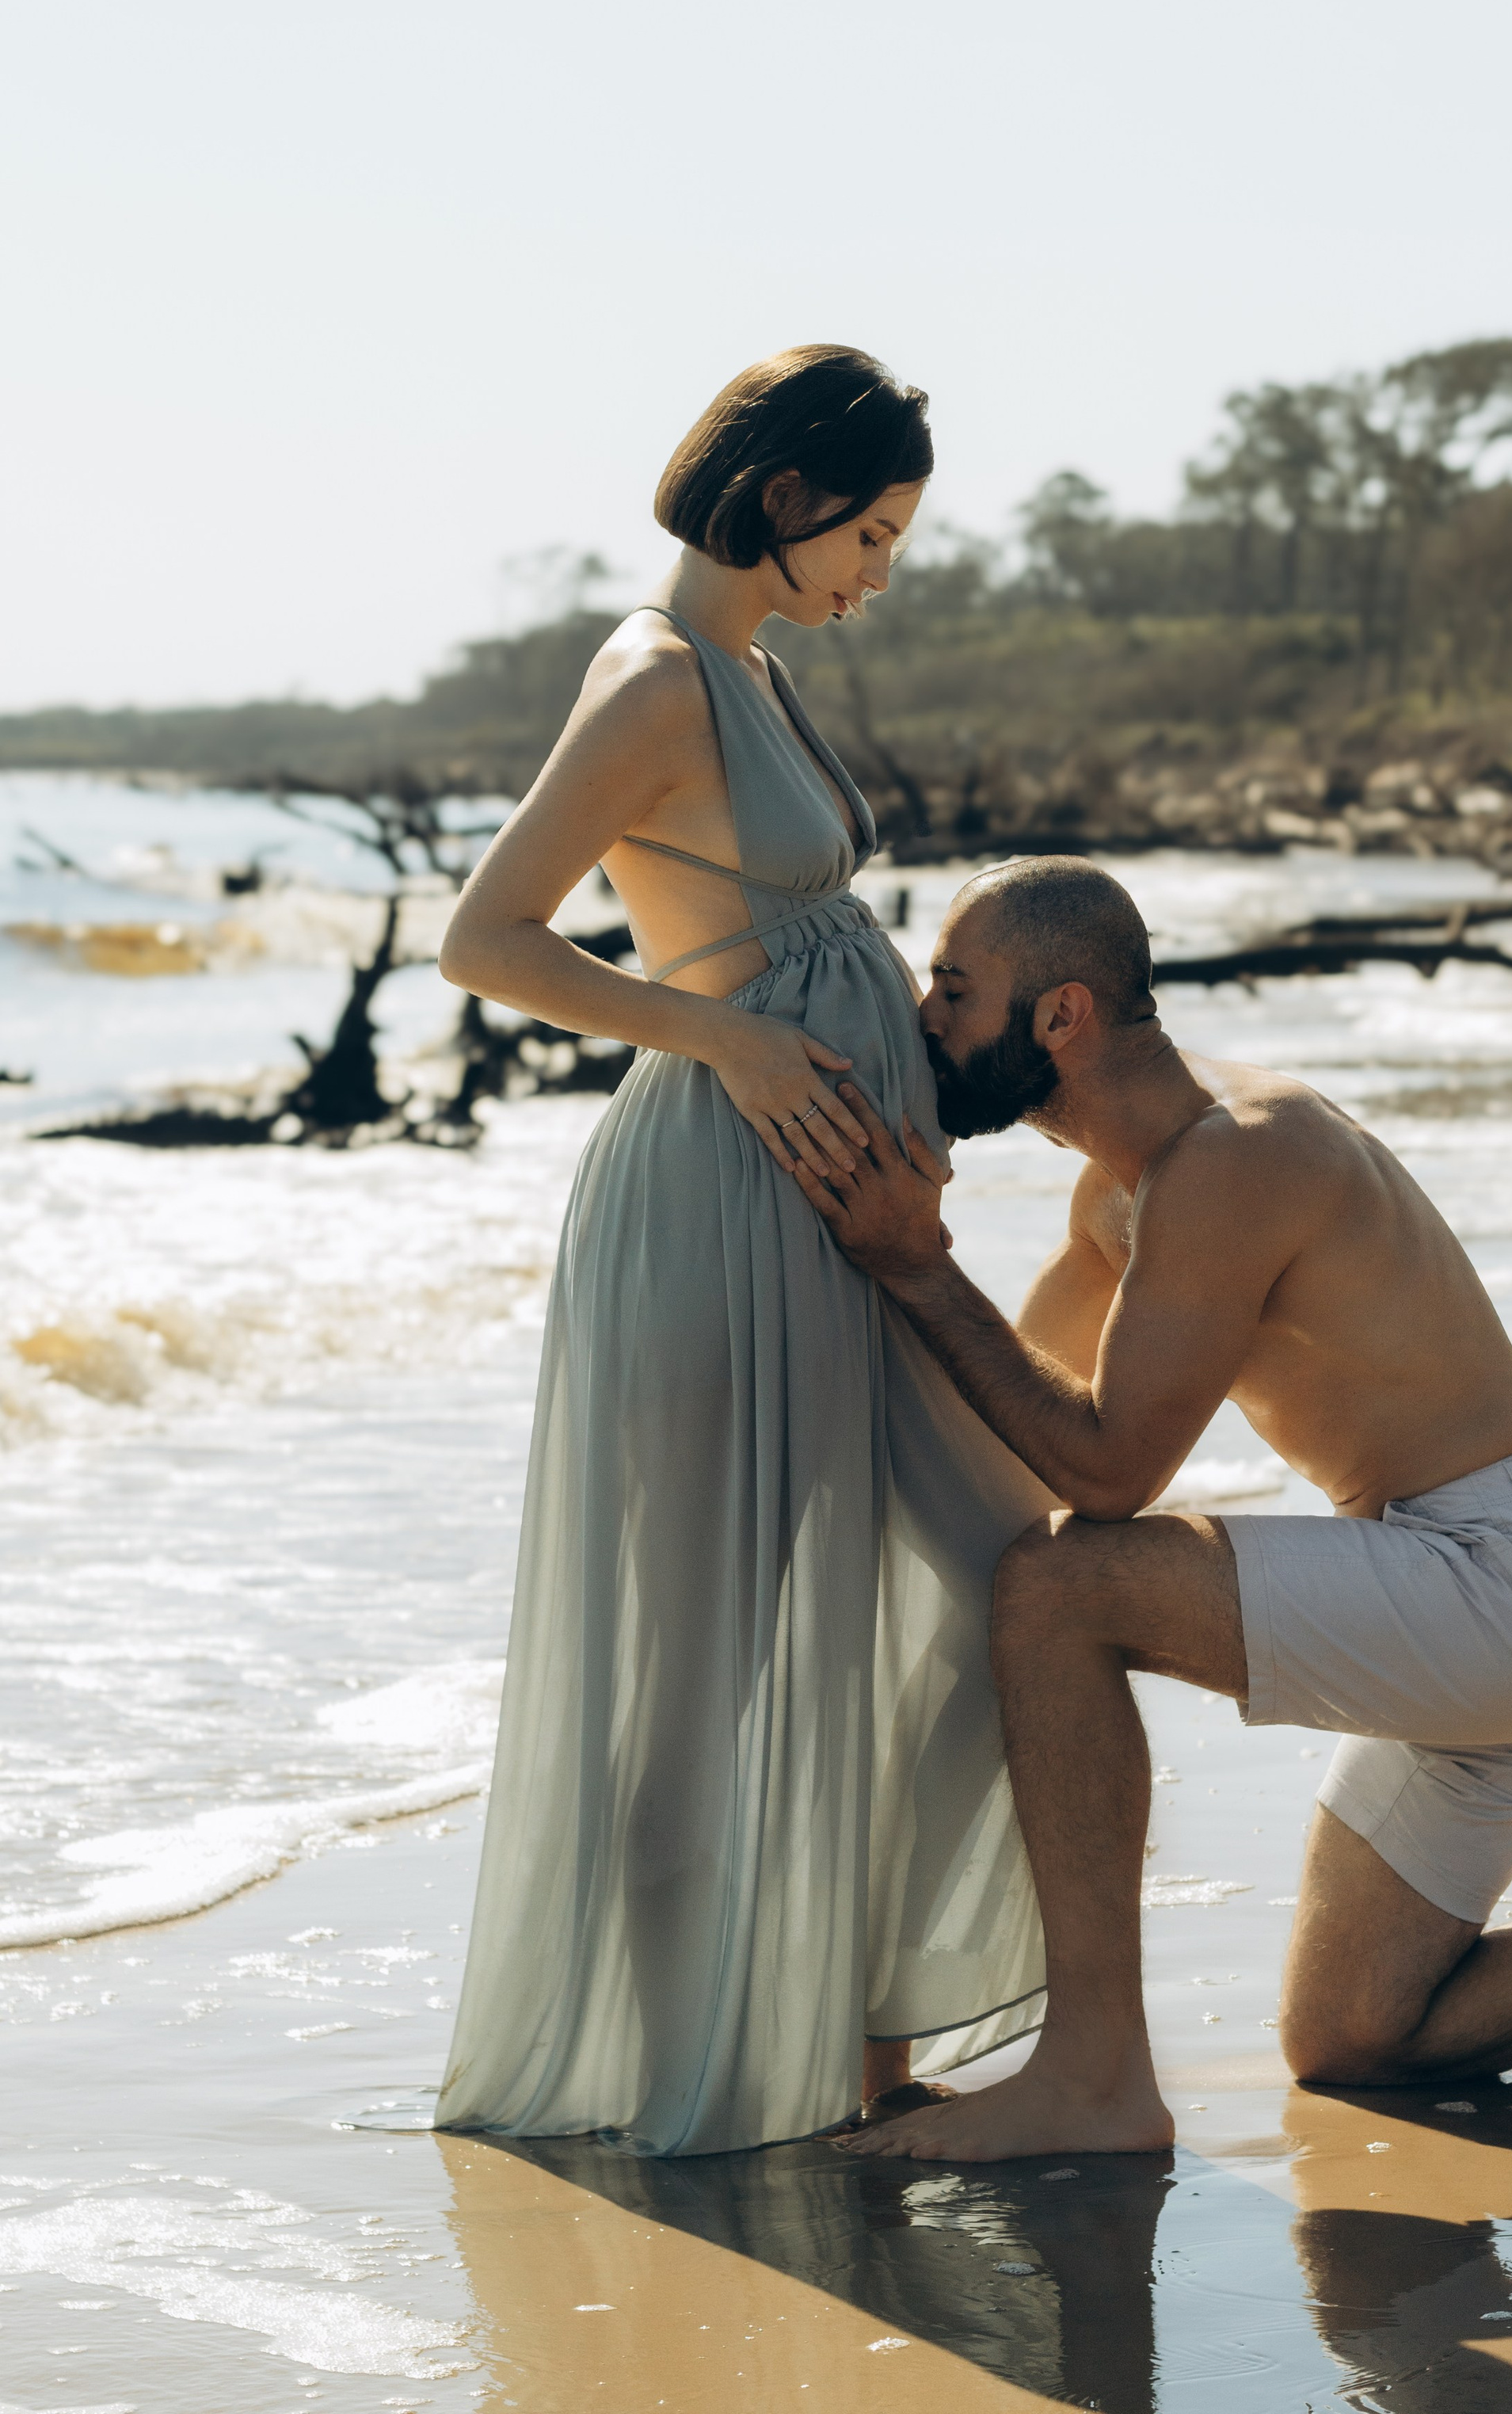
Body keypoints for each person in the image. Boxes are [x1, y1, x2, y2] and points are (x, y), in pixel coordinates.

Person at [787, 858, 1512, 2163]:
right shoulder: (1124, 1191)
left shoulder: (1235, 1160)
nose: (927, 1015)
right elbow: (1008, 1417)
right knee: (1352, 2039)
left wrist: (920, 1265)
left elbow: (1101, 1475)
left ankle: (1095, 2075)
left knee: (1061, 1587)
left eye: (952, 987)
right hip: (1488, 1595)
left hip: (1511, 1584)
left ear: (1062, 1017)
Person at [432, 349, 1051, 2157]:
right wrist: (720, 1035)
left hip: (819, 1213)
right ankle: (684, 2080)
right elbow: (488, 939)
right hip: (715, 1203)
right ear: (781, 500)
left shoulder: (755, 670)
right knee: (698, 1648)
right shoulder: (649, 678)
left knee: (990, 1572)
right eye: (870, 531)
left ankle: (845, 2029)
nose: (883, 572)